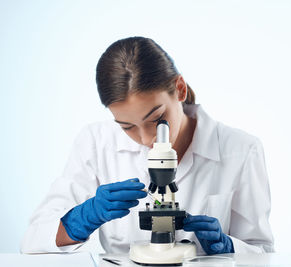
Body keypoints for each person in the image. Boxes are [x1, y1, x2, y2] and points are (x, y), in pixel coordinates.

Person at [20, 36, 274, 255]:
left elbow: (262, 253)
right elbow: (33, 240)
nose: (145, 139)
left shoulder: (241, 149)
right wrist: (83, 218)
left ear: (180, 89)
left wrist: (229, 247)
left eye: (156, 120)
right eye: (127, 127)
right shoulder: (96, 142)